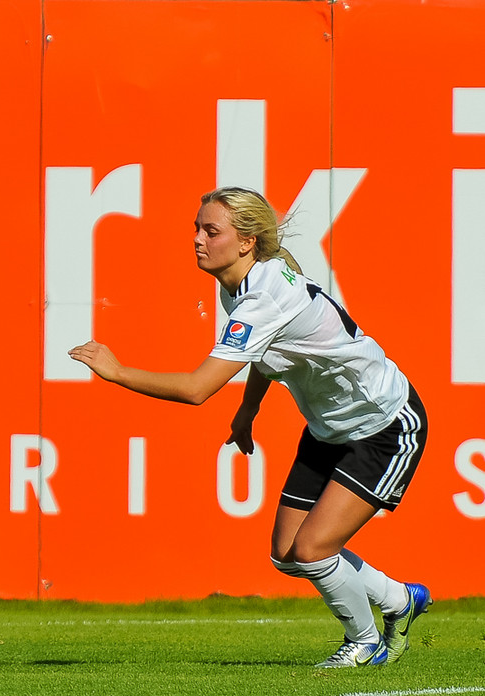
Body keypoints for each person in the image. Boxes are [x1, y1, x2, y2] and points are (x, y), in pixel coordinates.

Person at [68, 186, 430, 668]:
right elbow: (265, 352)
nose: (197, 239)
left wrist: (118, 372)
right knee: (287, 554)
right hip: (329, 428)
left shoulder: (262, 296)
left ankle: (365, 643)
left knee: (313, 549)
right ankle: (400, 599)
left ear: (247, 242)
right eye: (196, 228)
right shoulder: (239, 286)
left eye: (211, 231)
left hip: (383, 424)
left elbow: (197, 389)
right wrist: (248, 410)